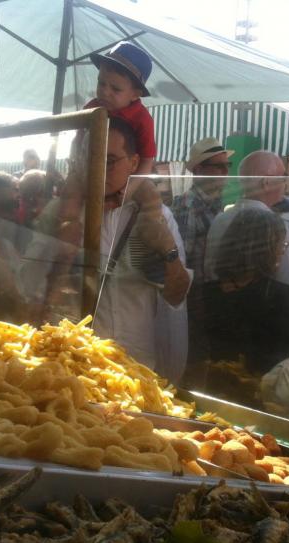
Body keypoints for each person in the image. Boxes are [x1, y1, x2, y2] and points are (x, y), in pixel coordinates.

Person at [93, 118, 191, 380]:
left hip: (138, 363)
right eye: (92, 159)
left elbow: (177, 295)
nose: (99, 169)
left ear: (134, 163)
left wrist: (168, 251)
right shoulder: (71, 214)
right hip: (83, 360)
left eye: (110, 161)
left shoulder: (158, 216)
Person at [204, 207, 289, 376]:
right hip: (265, 390)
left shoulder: (206, 294)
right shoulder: (285, 299)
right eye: (282, 245)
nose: (282, 251)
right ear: (268, 250)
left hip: (212, 387)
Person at [169, 137, 233, 383]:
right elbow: (182, 264)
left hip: (212, 297)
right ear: (199, 170)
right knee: (194, 367)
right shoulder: (188, 206)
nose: (225, 172)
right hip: (196, 300)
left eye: (227, 165)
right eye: (218, 166)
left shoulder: (216, 204)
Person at [204, 150, 289, 288]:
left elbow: (211, 273)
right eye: (283, 178)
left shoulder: (220, 220)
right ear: (266, 183)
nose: (286, 184)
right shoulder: (275, 225)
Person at [85, 41, 156, 175]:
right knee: (71, 187)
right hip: (90, 170)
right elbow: (78, 141)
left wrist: (130, 185)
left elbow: (147, 161)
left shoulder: (143, 119)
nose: (105, 92)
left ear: (135, 94)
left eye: (116, 89)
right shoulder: (91, 108)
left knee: (150, 189)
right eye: (101, 83)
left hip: (128, 176)